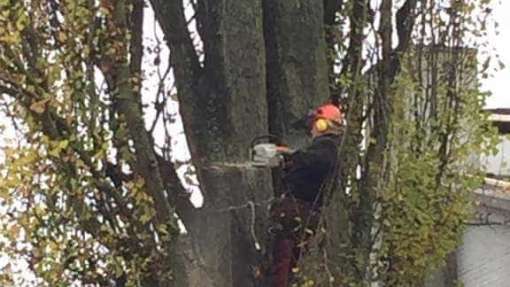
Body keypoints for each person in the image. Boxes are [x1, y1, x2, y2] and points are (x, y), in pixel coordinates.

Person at [270, 103, 343, 287]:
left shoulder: (327, 147)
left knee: (282, 263)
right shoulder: (322, 148)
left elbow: (315, 161)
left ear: (322, 125)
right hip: (302, 213)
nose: (311, 128)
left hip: (297, 211)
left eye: (314, 124)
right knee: (285, 264)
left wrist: (290, 154)